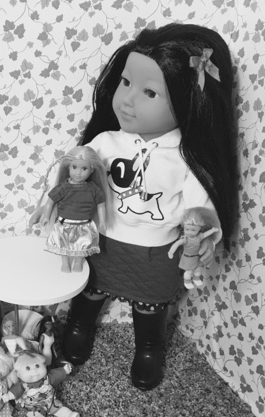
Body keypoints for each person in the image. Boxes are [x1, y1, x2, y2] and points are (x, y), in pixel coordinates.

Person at [32, 24, 239, 390]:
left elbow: (200, 206)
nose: (127, 100)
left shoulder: (184, 158)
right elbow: (72, 173)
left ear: (189, 100)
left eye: (149, 92)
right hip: (102, 240)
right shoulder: (106, 142)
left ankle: (148, 349)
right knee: (89, 291)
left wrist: (203, 230)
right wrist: (52, 203)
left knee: (150, 307)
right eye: (125, 82)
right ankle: (78, 329)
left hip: (154, 252)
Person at [32, 146, 109, 272]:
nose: (78, 172)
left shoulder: (93, 189)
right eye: (74, 167)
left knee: (82, 246)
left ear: (92, 170)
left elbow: (101, 205)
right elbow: (50, 202)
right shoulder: (63, 188)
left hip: (84, 225)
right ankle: (65, 263)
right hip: (64, 224)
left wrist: (102, 221)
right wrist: (46, 216)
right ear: (68, 167)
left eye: (84, 168)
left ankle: (78, 262)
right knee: (63, 245)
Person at [168, 207, 221, 289]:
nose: (190, 232)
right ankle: (187, 282)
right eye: (187, 229)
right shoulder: (185, 239)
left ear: (199, 229)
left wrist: (213, 230)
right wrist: (171, 252)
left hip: (196, 257)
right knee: (189, 271)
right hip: (188, 258)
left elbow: (206, 234)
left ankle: (196, 279)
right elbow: (176, 244)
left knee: (198, 270)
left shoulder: (199, 237)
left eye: (193, 230)